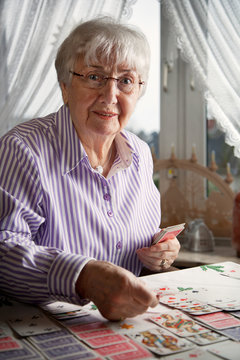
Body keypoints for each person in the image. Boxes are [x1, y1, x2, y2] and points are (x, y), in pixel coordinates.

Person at [0, 16, 180, 321]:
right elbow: (4, 250)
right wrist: (83, 276)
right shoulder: (21, 149)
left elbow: (144, 242)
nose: (110, 96)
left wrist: (161, 254)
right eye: (95, 77)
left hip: (127, 325)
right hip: (40, 329)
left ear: (138, 91)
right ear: (65, 87)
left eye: (125, 80)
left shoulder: (139, 153)